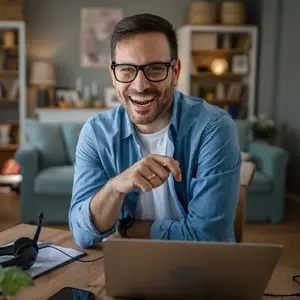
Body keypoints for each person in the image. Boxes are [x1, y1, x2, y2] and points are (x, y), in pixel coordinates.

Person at [69, 13, 242, 249]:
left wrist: (131, 229)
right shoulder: (96, 133)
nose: (140, 85)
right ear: (113, 75)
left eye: (155, 68)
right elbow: (83, 233)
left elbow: (208, 240)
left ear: (176, 71)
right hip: (126, 268)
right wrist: (116, 186)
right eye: (127, 70)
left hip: (201, 272)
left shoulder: (213, 128)